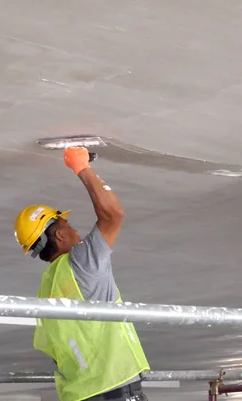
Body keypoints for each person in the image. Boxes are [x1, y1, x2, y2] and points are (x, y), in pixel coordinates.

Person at [13, 147, 150, 401]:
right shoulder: (81, 262)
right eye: (69, 226)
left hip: (81, 393)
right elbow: (112, 215)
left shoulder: (47, 288)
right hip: (114, 389)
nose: (76, 232)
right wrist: (81, 167)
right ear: (60, 235)